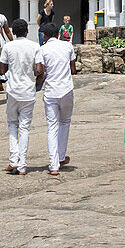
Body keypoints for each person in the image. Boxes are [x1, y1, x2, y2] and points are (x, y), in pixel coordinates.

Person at [35, 22, 76, 176]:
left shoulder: (42, 49)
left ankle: (53, 165)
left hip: (51, 90)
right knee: (64, 123)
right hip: (66, 89)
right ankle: (60, 156)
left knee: (52, 127)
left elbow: (41, 72)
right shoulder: (68, 46)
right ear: (59, 33)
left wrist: (34, 86)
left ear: (44, 35)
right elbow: (73, 69)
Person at [0, 19, 39, 175]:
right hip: (28, 91)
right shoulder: (35, 46)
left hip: (13, 90)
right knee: (25, 127)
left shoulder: (8, 47)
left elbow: (2, 70)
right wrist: (34, 83)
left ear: (13, 32)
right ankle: (22, 165)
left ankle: (13, 160)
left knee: (12, 124)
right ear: (27, 31)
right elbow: (40, 69)